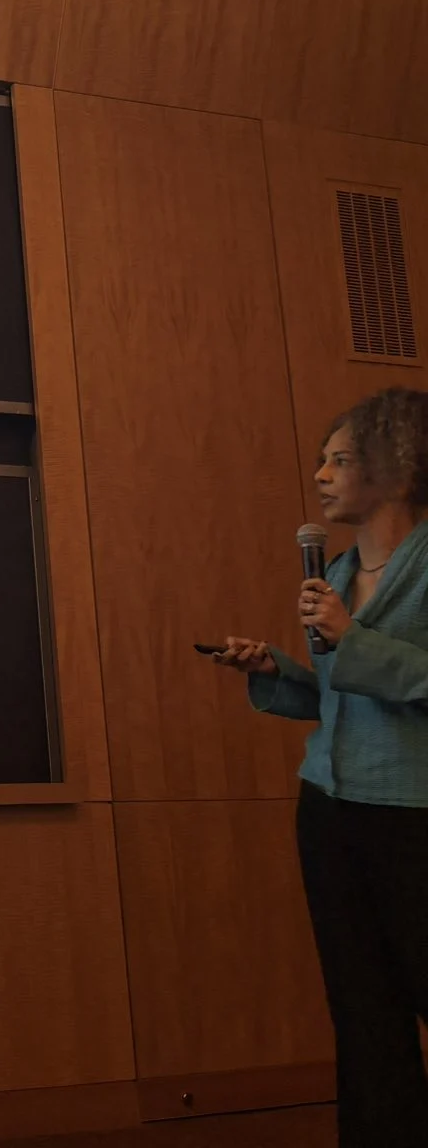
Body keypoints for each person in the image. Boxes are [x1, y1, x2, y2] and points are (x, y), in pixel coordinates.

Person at [215, 386, 428, 1142]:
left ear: (397, 466)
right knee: (362, 1007)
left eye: (341, 459)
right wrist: (275, 670)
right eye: (321, 461)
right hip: (330, 811)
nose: (321, 476)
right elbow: (344, 700)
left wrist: (352, 640)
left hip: (414, 816)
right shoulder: (333, 575)